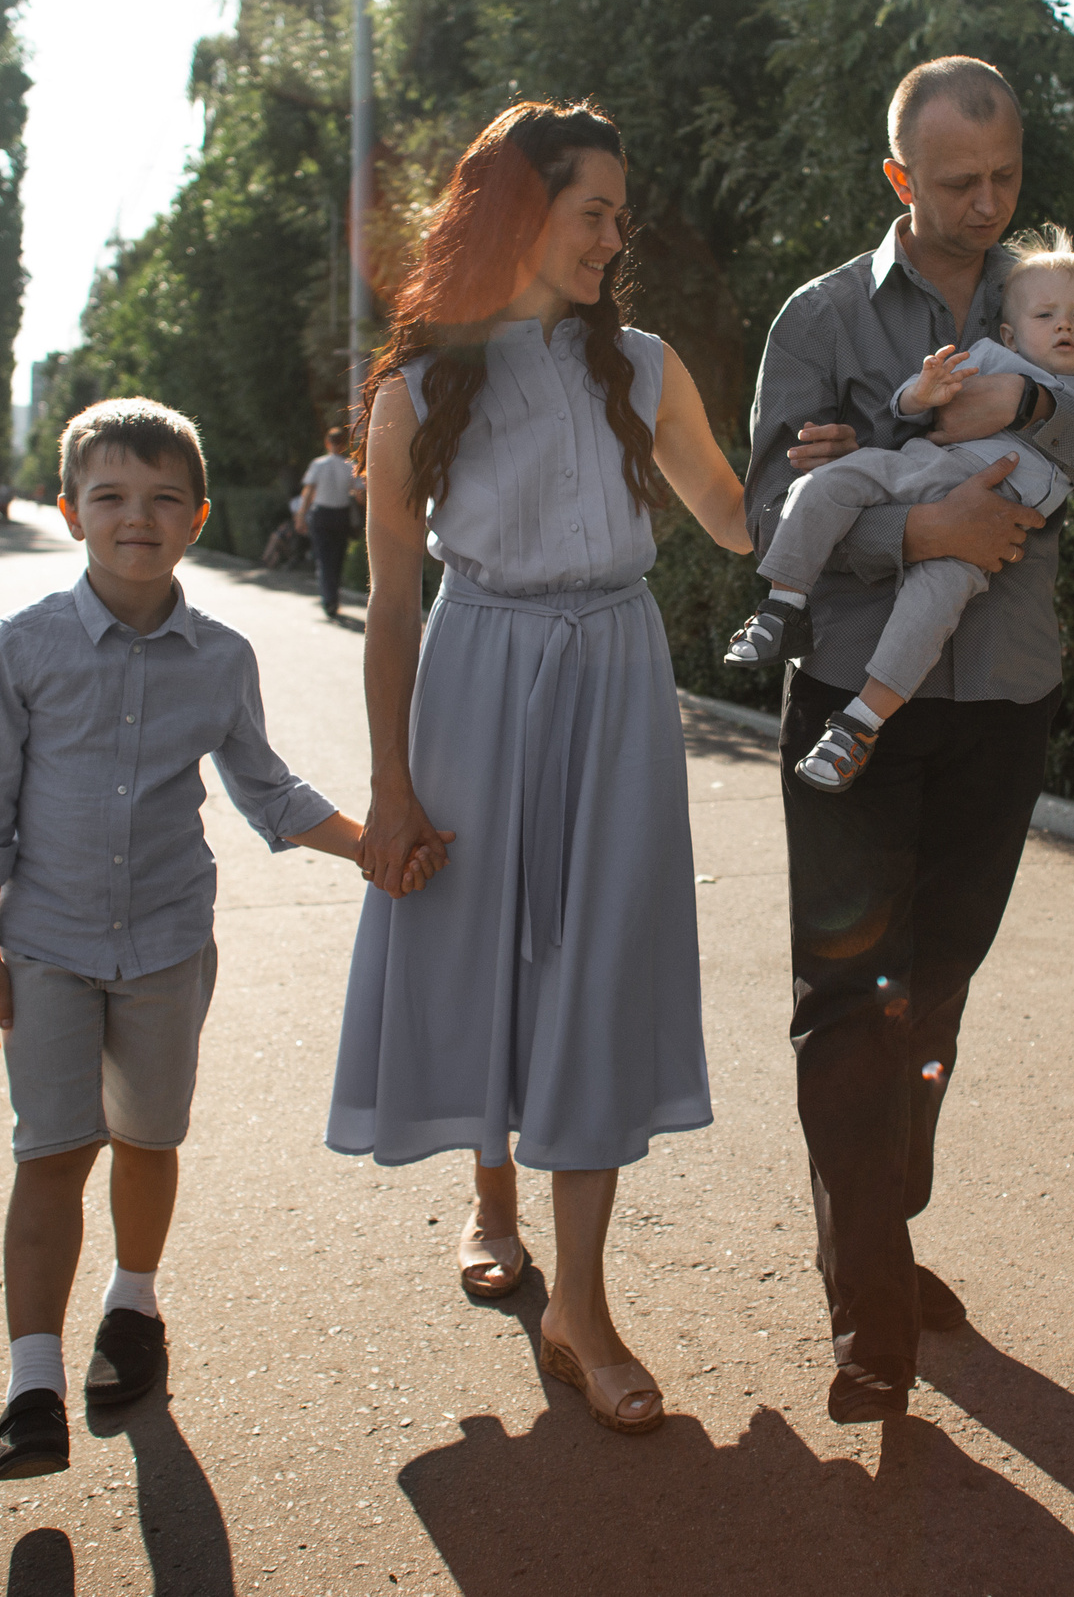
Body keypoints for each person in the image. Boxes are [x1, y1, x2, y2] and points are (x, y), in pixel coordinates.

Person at [741, 56, 1074, 1424]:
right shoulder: (820, 317)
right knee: (846, 992)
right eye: (956, 183)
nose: (987, 203)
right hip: (849, 700)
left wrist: (1039, 406)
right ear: (899, 180)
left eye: (1003, 177)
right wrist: (919, 530)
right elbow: (770, 520)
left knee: (935, 991)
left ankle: (878, 1217)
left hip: (1003, 695)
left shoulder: (1048, 304)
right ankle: (869, 1308)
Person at [327, 100, 753, 1436]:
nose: (615, 238)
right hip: (476, 671)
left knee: (594, 962)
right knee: (484, 944)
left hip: (619, 672)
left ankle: (580, 1301)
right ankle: (491, 1194)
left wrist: (856, 477)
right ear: (522, 209)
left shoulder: (642, 363)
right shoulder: (414, 391)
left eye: (621, 217)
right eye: (593, 212)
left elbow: (736, 523)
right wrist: (391, 787)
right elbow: (394, 605)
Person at [0, 398, 383, 1482]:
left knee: (147, 1140)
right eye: (110, 498)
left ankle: (133, 1307)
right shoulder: (23, 650)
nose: (135, 517)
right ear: (69, 513)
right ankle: (31, 1386)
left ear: (195, 519)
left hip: (167, 948)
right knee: (51, 1154)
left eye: (161, 500)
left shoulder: (222, 658)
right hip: (41, 948)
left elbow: (266, 790)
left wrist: (377, 848)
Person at [726, 228, 1074, 790]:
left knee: (929, 609)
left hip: (993, 554)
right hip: (915, 473)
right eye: (1047, 316)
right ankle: (781, 608)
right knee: (829, 481)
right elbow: (906, 406)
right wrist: (918, 400)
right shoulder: (977, 353)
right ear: (1011, 335)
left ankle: (858, 725)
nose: (1065, 325)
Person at [296, 425, 365, 619]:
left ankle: (329, 599)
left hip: (322, 515)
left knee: (323, 558)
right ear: (343, 445)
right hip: (341, 515)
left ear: (328, 443)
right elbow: (360, 496)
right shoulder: (350, 466)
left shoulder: (318, 464)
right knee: (337, 558)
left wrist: (301, 515)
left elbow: (308, 492)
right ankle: (333, 597)